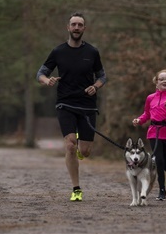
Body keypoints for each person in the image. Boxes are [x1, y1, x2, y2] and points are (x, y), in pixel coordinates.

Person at [36, 12, 107, 202]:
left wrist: (96, 86)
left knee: (85, 151)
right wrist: (47, 80)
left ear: (84, 29)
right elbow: (40, 73)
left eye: (80, 25)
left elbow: (102, 76)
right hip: (65, 103)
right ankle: (76, 189)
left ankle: (78, 147)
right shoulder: (58, 51)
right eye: (73, 24)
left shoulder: (92, 52)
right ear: (68, 27)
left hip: (87, 106)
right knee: (70, 145)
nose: (76, 28)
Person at [132, 69, 166, 201]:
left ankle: (164, 170)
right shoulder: (150, 98)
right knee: (158, 161)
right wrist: (139, 120)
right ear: (157, 82)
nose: (164, 81)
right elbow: (147, 114)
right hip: (154, 132)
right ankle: (162, 190)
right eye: (161, 79)